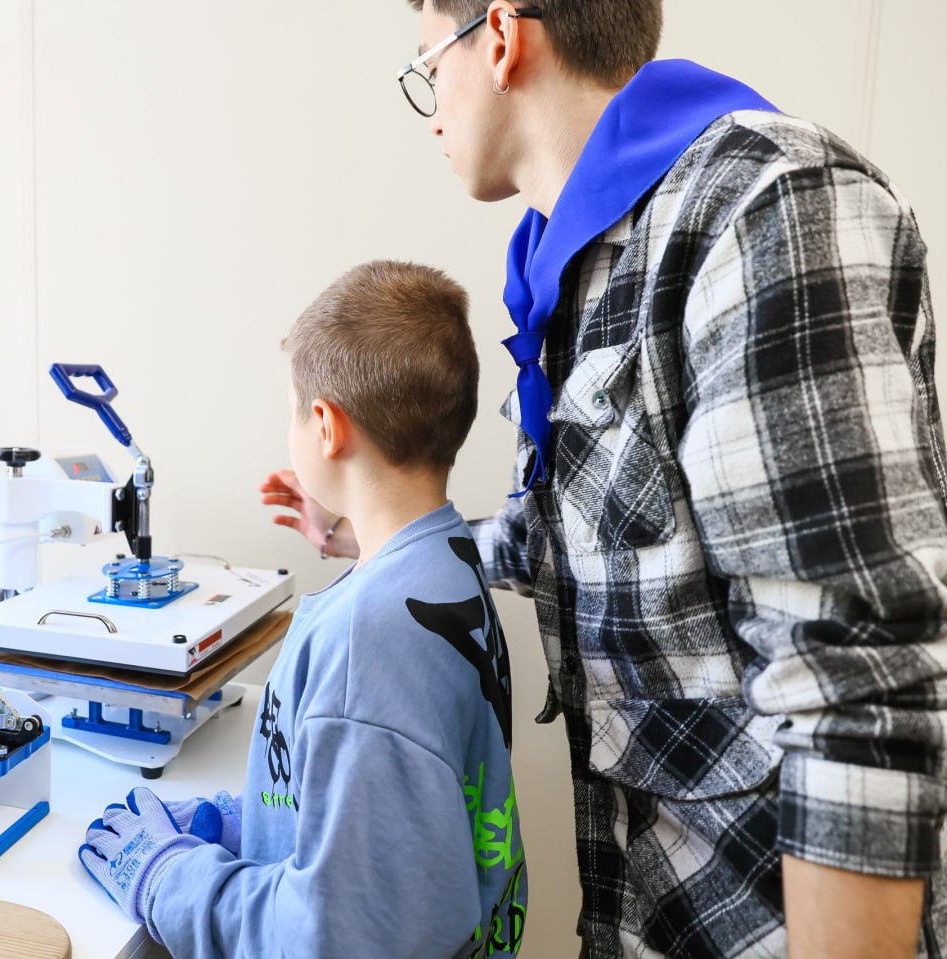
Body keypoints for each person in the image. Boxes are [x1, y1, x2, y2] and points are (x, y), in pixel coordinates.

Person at [261, 2, 947, 956]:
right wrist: (371, 531)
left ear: (501, 39)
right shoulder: (577, 271)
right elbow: (578, 539)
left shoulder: (764, 209)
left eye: (428, 66)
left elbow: (854, 683)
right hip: (639, 912)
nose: (431, 109)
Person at [80, 260, 528, 958]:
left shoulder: (370, 642)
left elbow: (334, 937)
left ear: (325, 425)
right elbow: (397, 826)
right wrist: (257, 823)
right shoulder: (446, 563)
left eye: (294, 406)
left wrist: (169, 877)